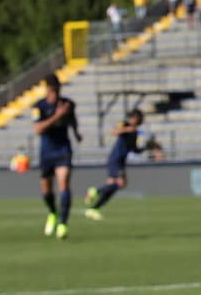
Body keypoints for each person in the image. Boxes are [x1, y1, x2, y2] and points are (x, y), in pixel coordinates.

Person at [32, 73, 81, 239]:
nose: (55, 93)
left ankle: (63, 224)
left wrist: (76, 134)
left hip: (63, 150)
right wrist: (57, 116)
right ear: (47, 89)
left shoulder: (68, 104)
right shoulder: (39, 107)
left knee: (64, 184)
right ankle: (53, 212)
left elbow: (73, 121)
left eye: (57, 89)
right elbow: (38, 129)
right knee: (46, 191)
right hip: (46, 151)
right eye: (52, 90)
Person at [84, 109, 145, 220]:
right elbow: (114, 132)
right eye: (140, 118)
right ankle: (95, 191)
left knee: (111, 187)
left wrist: (146, 147)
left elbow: (134, 149)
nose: (141, 120)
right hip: (115, 159)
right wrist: (127, 129)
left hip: (121, 160)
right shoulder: (125, 124)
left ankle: (93, 209)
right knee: (121, 183)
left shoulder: (135, 132)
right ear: (134, 118)